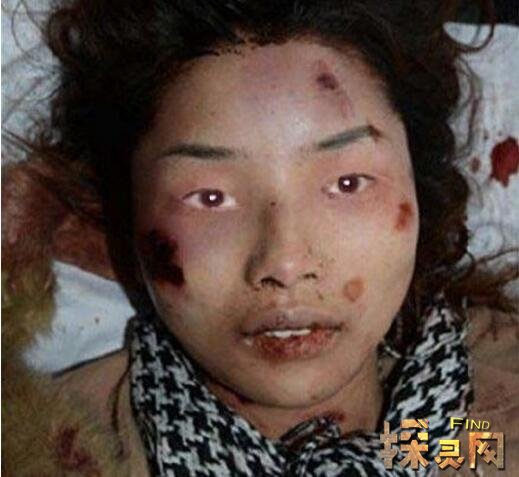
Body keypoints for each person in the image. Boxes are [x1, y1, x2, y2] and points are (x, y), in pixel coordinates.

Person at [3, 1, 518, 476]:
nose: (286, 263)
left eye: (347, 184)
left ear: (418, 185)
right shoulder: (38, 451)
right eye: (210, 198)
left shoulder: (489, 432)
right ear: (130, 214)